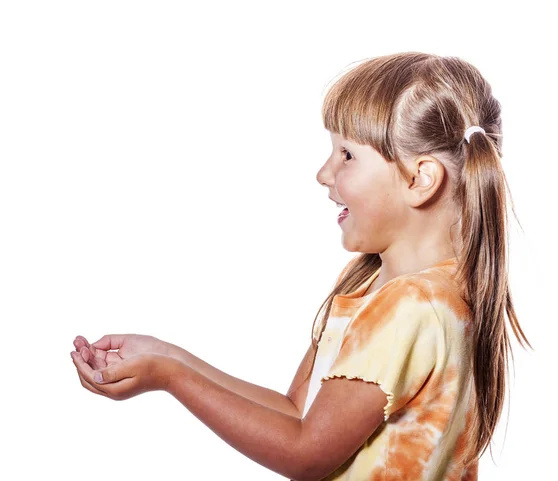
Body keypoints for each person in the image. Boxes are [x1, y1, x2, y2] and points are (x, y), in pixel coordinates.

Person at [71, 51, 532, 481]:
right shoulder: (382, 285)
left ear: (419, 178)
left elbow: (305, 452)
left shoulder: (411, 306)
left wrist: (170, 378)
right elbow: (297, 412)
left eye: (347, 155)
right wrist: (169, 356)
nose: (324, 173)